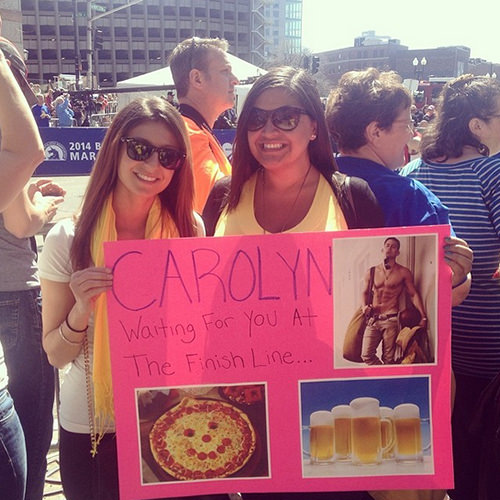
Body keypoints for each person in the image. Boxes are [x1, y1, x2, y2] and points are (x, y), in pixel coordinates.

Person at [203, 66, 381, 500]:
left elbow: (379, 297)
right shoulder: (223, 196)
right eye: (257, 120)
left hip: (331, 407)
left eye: (286, 117)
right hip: (246, 409)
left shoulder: (352, 197)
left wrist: (452, 275)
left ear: (314, 127)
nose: (269, 131)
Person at [38, 97, 204, 500]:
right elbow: (56, 355)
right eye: (140, 149)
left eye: (168, 156)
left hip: (171, 411)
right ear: (115, 146)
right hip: (95, 423)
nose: (152, 167)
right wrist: (81, 308)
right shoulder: (68, 239)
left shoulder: (189, 229)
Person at [401, 74, 500, 500]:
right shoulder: (493, 171)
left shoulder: (412, 171)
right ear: (476, 126)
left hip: (430, 349)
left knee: (451, 458)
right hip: (489, 351)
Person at [325, 68, 472, 308]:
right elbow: (449, 294)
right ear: (375, 131)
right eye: (406, 123)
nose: (411, 133)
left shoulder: (307, 182)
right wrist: (461, 276)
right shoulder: (411, 198)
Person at [0, 27, 46, 500]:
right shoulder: (6, 140)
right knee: (30, 427)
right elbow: (21, 223)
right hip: (15, 290)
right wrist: (44, 209)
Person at [169, 37, 238, 213]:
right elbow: (222, 208)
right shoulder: (188, 134)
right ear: (197, 79)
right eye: (225, 71)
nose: (235, 80)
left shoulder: (191, 129)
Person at [360, 237, 427, 365]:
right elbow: (364, 292)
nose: (389, 248)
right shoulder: (371, 272)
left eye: (393, 246)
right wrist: (364, 307)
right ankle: (383, 376)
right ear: (382, 249)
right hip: (373, 319)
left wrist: (423, 316)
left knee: (388, 360)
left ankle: (387, 383)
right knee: (366, 355)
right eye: (387, 245)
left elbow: (413, 294)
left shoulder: (403, 272)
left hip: (391, 319)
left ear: (398, 252)